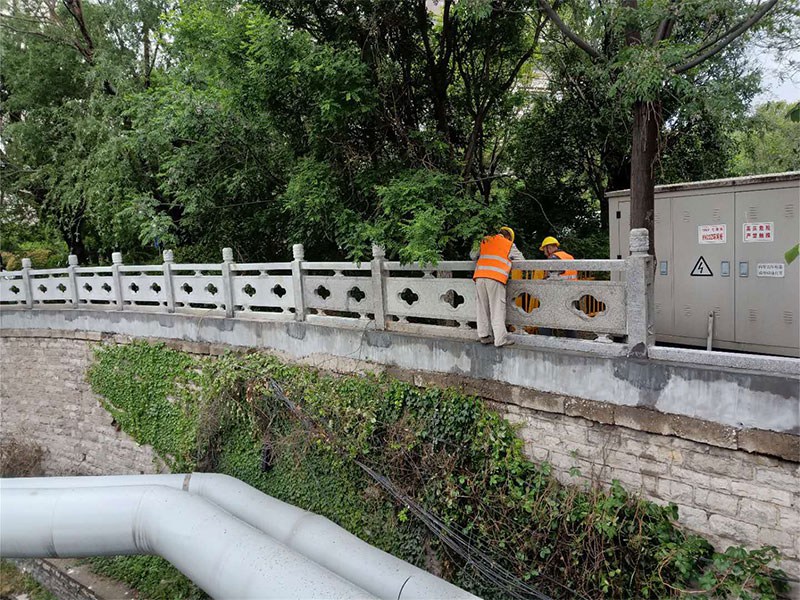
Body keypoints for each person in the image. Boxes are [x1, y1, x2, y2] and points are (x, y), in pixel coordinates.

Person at [472, 226, 525, 347]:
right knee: (497, 308)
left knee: (482, 307)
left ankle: (484, 335)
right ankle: (500, 339)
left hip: (480, 276)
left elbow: (472, 255)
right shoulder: (509, 245)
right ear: (509, 237)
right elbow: (522, 261)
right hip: (496, 278)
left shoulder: (485, 240)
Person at [538, 236, 577, 338]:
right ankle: (572, 343)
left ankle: (545, 342)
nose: (544, 253)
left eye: (544, 250)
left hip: (558, 294)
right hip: (573, 293)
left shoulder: (553, 258)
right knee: (570, 322)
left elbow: (548, 278)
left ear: (549, 247)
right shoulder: (569, 256)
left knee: (544, 319)